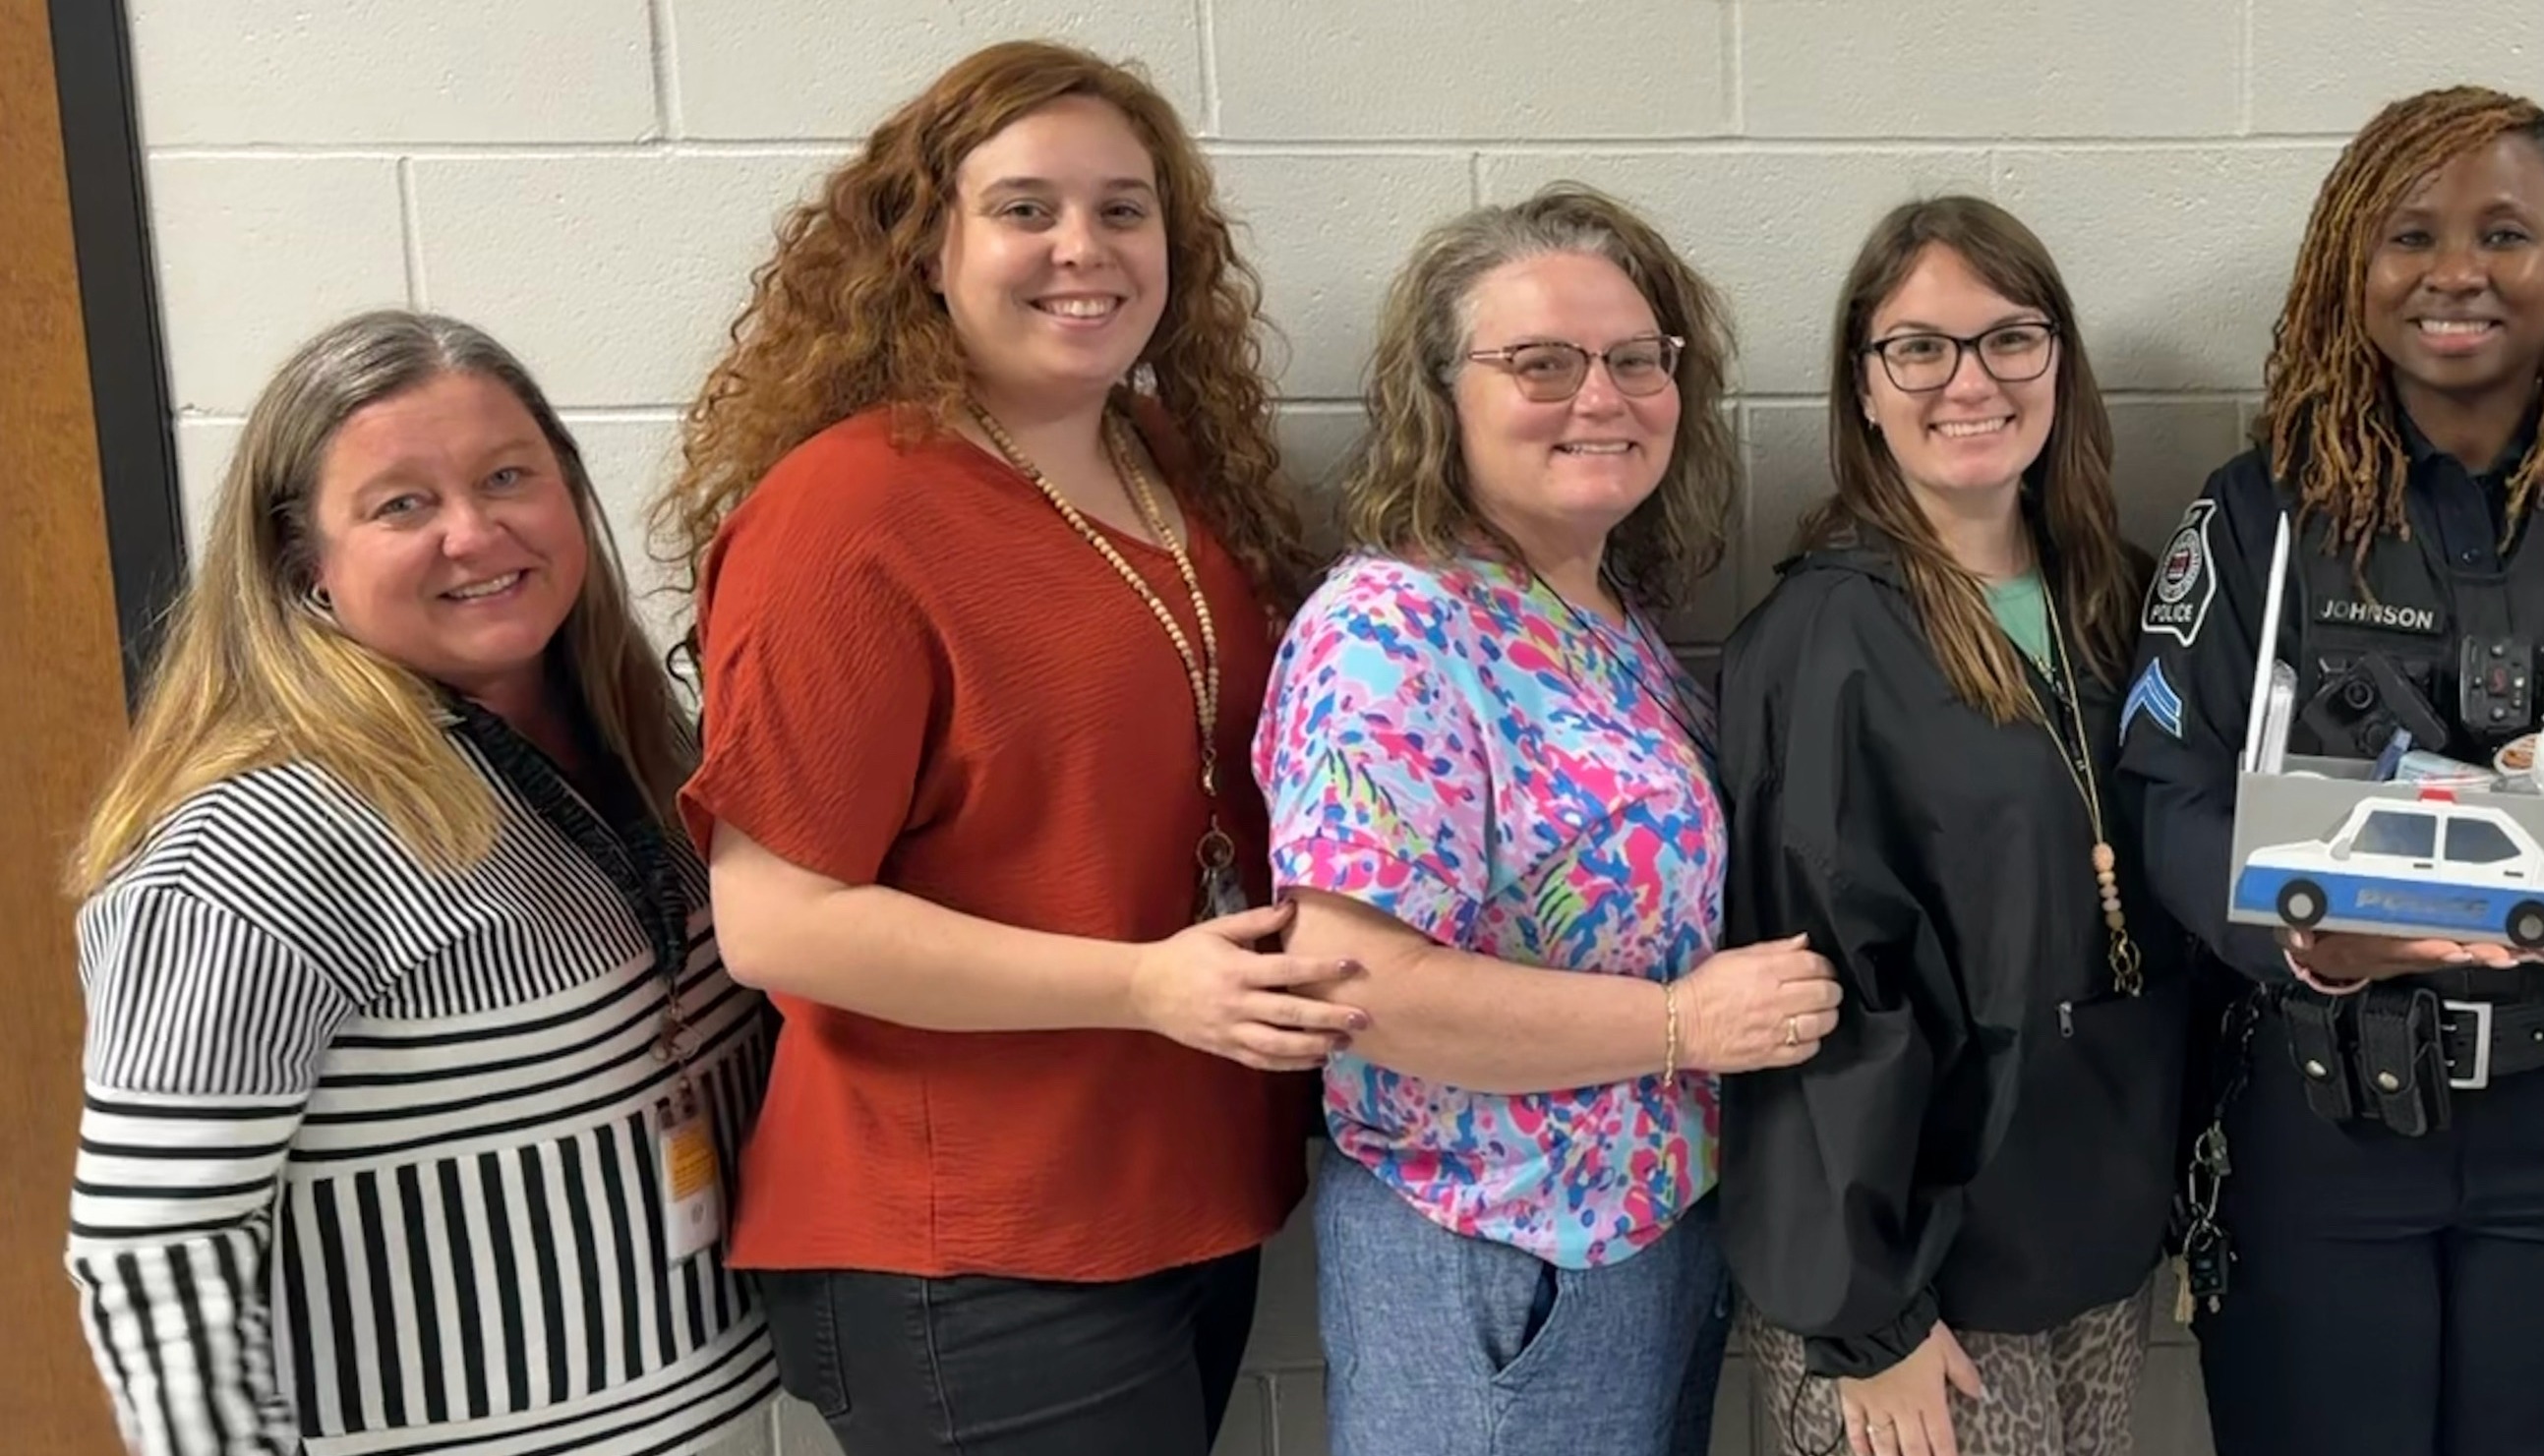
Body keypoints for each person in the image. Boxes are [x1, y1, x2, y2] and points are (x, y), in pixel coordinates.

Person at [654, 40, 1345, 1455]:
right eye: (1026, 207)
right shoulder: (847, 513)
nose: (1081, 247)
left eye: (1123, 207)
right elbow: (778, 921)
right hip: (972, 1241)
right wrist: (1147, 982)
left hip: (1178, 1192)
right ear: (926, 246)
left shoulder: (1161, 457)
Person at [2114, 85, 2544, 1456]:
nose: (2457, 272)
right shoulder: (2260, 512)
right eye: (2411, 234)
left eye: (2507, 233)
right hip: (2323, 1133)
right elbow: (2168, 796)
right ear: (2348, 266)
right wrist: (2309, 932)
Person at [61, 311, 776, 1454]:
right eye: (401, 503)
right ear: (305, 563)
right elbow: (157, 1246)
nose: (475, 532)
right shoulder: (257, 846)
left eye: (507, 476)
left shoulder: (646, 754)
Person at [1259, 181, 1836, 1456]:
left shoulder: (1602, 622)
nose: (1602, 394)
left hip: (1642, 1245)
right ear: (1440, 394)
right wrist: (1686, 1023)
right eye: (1542, 362)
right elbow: (1362, 987)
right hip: (1496, 1254)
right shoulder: (1392, 631)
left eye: (1638, 359)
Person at [1718, 196, 2197, 1456]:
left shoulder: (2129, 601)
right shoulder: (1822, 642)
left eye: (2007, 339)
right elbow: (1804, 984)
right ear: (1863, 388)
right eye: (1918, 347)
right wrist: (1864, 1311)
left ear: (2059, 363)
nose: (1967, 380)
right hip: (1911, 1277)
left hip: (2088, 1230)